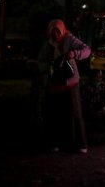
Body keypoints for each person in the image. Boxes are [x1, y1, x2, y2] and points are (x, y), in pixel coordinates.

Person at [36, 19, 91, 154]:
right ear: (49, 32)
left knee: (75, 113)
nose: (56, 34)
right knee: (54, 114)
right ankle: (56, 143)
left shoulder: (69, 40)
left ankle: (80, 144)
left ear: (62, 30)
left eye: (58, 31)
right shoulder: (47, 45)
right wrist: (47, 66)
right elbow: (40, 62)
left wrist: (75, 54)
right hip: (54, 84)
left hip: (70, 82)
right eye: (53, 31)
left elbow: (87, 50)